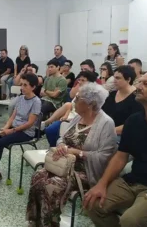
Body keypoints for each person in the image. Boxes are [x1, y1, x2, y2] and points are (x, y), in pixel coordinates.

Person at [85, 71, 147, 227]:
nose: (138, 87)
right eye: (139, 82)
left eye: (146, 84)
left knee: (131, 221)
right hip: (133, 181)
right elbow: (121, 156)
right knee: (92, 203)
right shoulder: (134, 121)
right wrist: (101, 184)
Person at [26, 83, 117, 227]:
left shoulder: (106, 123)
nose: (73, 100)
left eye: (78, 98)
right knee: (38, 176)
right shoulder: (78, 117)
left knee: (52, 185)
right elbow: (63, 137)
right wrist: (62, 145)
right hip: (63, 164)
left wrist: (78, 152)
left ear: (89, 104)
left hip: (85, 170)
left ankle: (50, 223)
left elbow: (105, 156)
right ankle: (36, 221)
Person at [0, 73, 41, 187]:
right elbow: (12, 117)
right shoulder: (21, 98)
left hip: (26, 132)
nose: (22, 88)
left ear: (33, 87)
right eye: (21, 85)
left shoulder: (36, 102)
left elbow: (30, 123)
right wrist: (5, 128)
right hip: (14, 128)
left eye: (25, 85)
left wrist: (11, 131)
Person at [43, 71, 97, 147]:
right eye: (79, 80)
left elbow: (88, 115)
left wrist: (70, 119)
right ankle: (53, 147)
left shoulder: (93, 97)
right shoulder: (79, 93)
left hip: (78, 122)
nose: (80, 82)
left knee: (54, 131)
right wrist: (66, 115)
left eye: (83, 80)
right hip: (69, 118)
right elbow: (71, 106)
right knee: (50, 130)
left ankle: (58, 149)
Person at [102, 65, 142, 137]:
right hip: (107, 132)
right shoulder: (112, 94)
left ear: (128, 79)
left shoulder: (137, 98)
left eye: (118, 78)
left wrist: (108, 131)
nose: (114, 80)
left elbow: (133, 124)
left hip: (123, 135)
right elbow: (102, 113)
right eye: (114, 77)